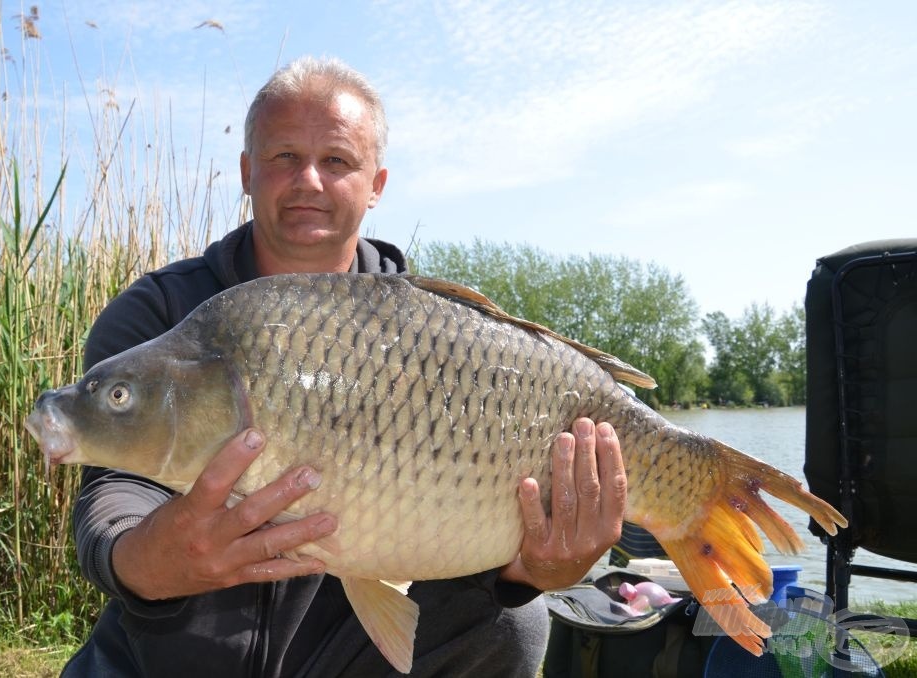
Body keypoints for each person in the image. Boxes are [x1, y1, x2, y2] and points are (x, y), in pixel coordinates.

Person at [61, 56, 628, 677]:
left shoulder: (439, 336)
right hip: (171, 656)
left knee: (516, 619)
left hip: (343, 650)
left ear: (376, 183)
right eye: (283, 158)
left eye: (336, 161)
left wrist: (532, 569)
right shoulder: (164, 314)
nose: (309, 181)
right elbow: (113, 493)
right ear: (247, 172)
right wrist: (142, 559)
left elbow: (482, 530)